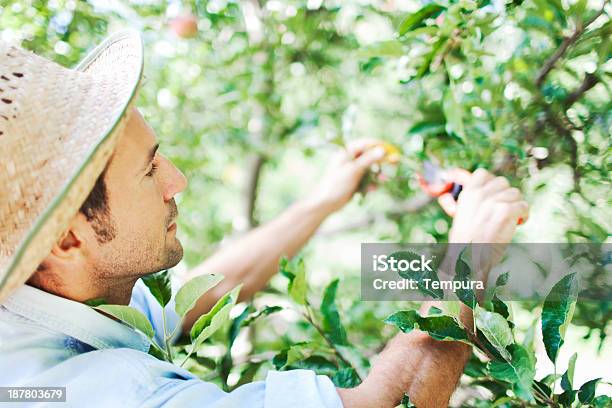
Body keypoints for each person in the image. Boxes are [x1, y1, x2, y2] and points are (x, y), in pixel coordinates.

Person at [0, 31, 529, 407]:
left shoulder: (55, 297)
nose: (176, 180)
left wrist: (322, 201)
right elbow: (394, 404)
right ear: (67, 236)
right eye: (147, 171)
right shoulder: (114, 394)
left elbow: (199, 294)